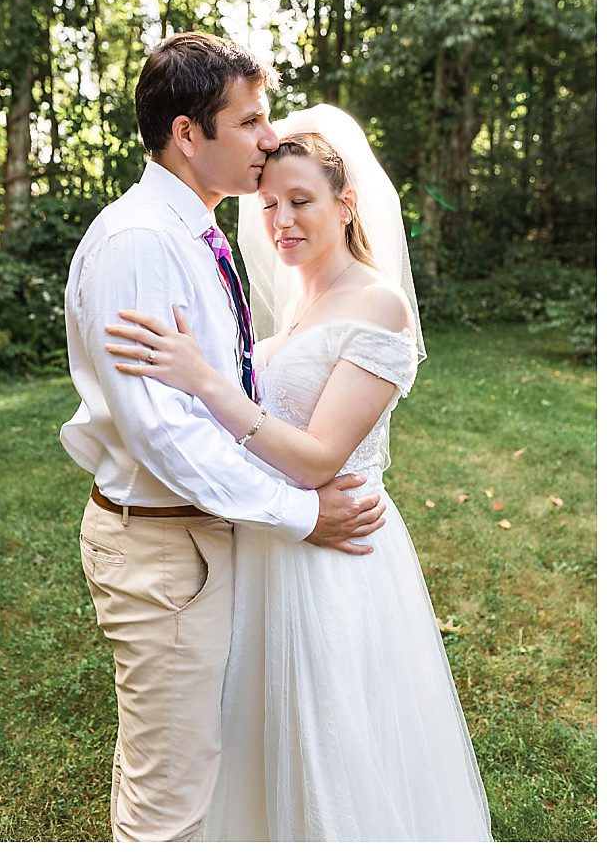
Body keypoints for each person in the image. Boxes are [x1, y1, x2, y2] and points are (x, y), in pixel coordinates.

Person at [104, 104, 492, 840]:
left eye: (302, 201)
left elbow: (319, 456)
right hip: (272, 543)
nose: (281, 220)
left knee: (332, 736)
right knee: (258, 730)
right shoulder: (288, 314)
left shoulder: (377, 305)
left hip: (336, 554)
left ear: (347, 204)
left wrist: (205, 382)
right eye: (271, 204)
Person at [58, 31, 386, 841]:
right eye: (250, 122)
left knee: (195, 764)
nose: (269, 139)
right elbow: (167, 435)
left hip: (211, 540)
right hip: (163, 551)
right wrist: (305, 512)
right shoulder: (142, 243)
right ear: (186, 133)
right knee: (171, 800)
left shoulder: (195, 232)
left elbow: (225, 385)